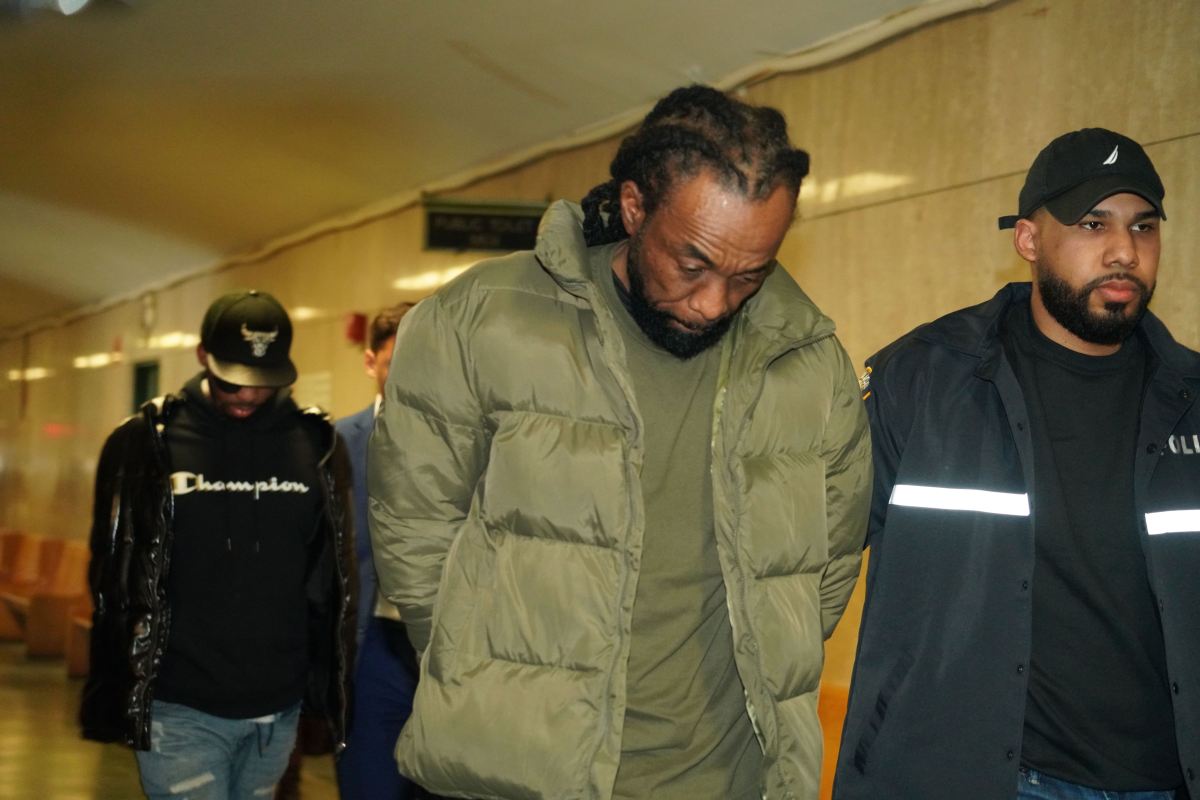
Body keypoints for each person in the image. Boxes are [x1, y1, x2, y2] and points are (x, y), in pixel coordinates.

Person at [368, 85, 872, 800]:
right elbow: (414, 538)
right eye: (692, 264)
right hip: (525, 775)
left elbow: (826, 561)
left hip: (728, 780)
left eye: (750, 275)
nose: (714, 302)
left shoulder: (809, 360)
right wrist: (488, 678)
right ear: (635, 207)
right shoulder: (480, 320)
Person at [834, 128, 1200, 800]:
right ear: (1029, 240)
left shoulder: (1192, 399)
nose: (1125, 251)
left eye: (1143, 227)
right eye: (1094, 224)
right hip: (984, 777)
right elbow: (811, 553)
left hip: (1161, 781)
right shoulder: (926, 379)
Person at [80, 290, 355, 800]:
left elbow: (332, 575)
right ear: (202, 354)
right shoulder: (148, 441)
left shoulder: (316, 445)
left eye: (262, 383)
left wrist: (324, 688)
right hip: (179, 704)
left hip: (278, 706)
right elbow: (111, 572)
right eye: (234, 382)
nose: (247, 397)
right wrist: (112, 687)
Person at [335, 302, 424, 800]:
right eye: (396, 365)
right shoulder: (336, 445)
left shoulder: (480, 441)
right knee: (371, 784)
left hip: (442, 651)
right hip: (372, 646)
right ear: (371, 362)